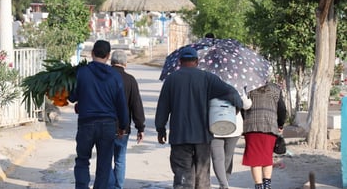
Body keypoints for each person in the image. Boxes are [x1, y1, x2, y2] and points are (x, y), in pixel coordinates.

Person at [155, 46, 243, 188]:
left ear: (180, 61)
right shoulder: (207, 78)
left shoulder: (171, 80)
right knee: (202, 176)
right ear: (196, 61)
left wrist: (161, 129)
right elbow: (231, 92)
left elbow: (163, 107)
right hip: (202, 136)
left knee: (182, 174)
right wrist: (236, 108)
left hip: (180, 136)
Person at [69, 40, 129, 189]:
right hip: (108, 126)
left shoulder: (81, 72)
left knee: (82, 160)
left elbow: (71, 97)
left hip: (86, 123)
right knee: (104, 164)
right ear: (108, 56)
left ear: (92, 53)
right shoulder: (115, 76)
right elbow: (121, 104)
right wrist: (123, 126)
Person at [109, 50, 146, 189]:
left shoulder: (104, 77)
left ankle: (108, 185)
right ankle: (118, 186)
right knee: (120, 159)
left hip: (104, 125)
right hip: (122, 128)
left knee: (105, 160)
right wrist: (140, 128)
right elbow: (136, 105)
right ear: (125, 63)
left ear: (111, 62)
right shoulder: (130, 80)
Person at [242, 82, 287, 189]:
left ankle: (259, 186)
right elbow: (282, 109)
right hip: (269, 126)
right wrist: (280, 124)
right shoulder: (276, 89)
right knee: (267, 158)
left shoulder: (248, 88)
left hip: (252, 127)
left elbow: (243, 107)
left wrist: (246, 121)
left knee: (255, 159)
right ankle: (267, 186)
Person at [211, 91, 252, 189]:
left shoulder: (210, 84)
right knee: (227, 157)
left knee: (219, 158)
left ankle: (223, 184)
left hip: (214, 124)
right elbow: (246, 105)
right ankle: (224, 185)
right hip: (233, 126)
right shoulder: (236, 84)